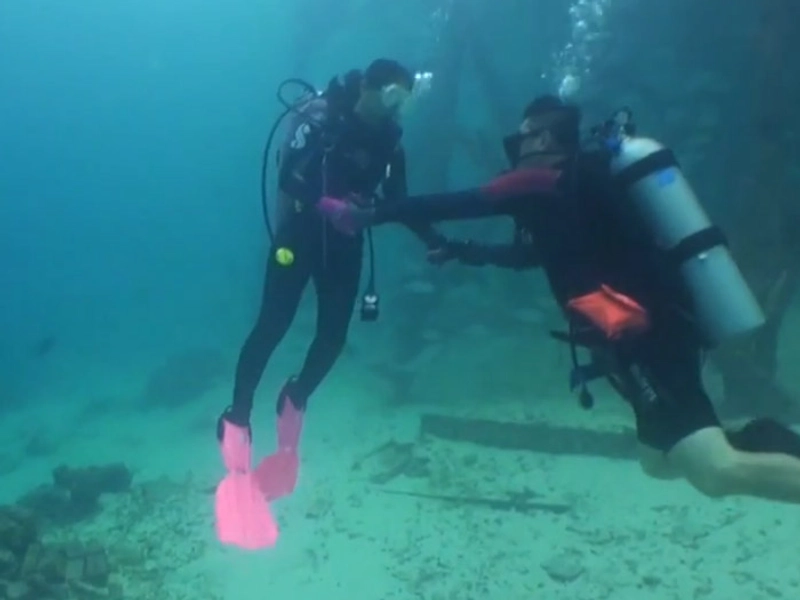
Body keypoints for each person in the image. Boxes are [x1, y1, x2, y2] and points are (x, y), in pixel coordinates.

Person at [318, 95, 800, 505]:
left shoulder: (539, 182)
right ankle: (767, 442)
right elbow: (535, 255)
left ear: (545, 139)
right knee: (658, 462)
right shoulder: (572, 192)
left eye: (525, 133)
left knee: (715, 472)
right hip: (632, 341)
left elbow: (454, 202)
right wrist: (466, 252)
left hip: (651, 341)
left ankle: (745, 452)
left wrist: (366, 216)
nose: (517, 143)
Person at [216, 58, 443, 526]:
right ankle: (238, 419)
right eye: (390, 96)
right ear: (366, 87)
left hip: (344, 246)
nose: (394, 108)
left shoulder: (390, 142)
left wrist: (437, 240)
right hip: (298, 238)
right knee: (272, 326)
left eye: (404, 100)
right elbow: (289, 177)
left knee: (334, 337)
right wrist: (329, 204)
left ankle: (294, 399)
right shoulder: (322, 120)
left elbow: (399, 202)